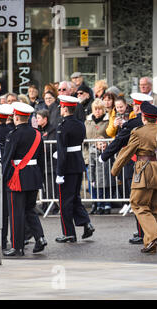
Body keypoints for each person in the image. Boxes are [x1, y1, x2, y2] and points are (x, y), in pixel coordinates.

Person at [111, 101, 157, 254]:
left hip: (144, 171)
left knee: (138, 204)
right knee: (152, 209)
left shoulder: (138, 132)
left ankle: (153, 236)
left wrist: (115, 170)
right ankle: (151, 244)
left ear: (144, 118)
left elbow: (126, 153)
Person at [99, 93, 154, 245]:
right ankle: (149, 232)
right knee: (150, 202)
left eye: (136, 105)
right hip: (156, 166)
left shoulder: (132, 123)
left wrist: (104, 156)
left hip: (137, 165)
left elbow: (119, 141)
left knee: (137, 201)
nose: (135, 107)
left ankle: (144, 233)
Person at [2, 102, 47, 256]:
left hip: (17, 178)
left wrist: (3, 178)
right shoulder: (37, 134)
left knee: (16, 212)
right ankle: (40, 238)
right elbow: (41, 160)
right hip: (33, 176)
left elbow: (8, 159)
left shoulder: (13, 135)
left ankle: (17, 246)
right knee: (30, 209)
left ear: (16, 116)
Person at [55, 95, 95, 243]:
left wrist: (59, 173)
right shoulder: (80, 124)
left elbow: (63, 151)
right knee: (75, 198)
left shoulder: (63, 126)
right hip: (78, 163)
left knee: (65, 200)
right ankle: (86, 223)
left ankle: (69, 233)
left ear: (65, 108)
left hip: (68, 167)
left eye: (61, 107)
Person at [84, 99, 110, 213]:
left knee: (104, 180)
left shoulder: (107, 121)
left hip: (103, 153)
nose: (98, 111)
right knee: (92, 181)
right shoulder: (87, 121)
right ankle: (94, 202)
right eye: (96, 109)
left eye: (100, 109)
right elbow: (84, 137)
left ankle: (104, 203)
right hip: (89, 154)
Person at [0, 104, 14, 250]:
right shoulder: (11, 131)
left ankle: (1, 241)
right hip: (11, 172)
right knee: (11, 209)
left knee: (0, 209)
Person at [36, 109, 59, 214]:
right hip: (42, 163)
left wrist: (43, 148)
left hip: (51, 163)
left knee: (51, 187)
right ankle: (45, 205)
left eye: (39, 118)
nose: (37, 120)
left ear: (45, 119)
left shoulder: (52, 129)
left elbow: (52, 145)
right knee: (44, 187)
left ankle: (54, 206)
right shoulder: (38, 130)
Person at [90, 137, 116, 215]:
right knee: (99, 193)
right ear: (96, 145)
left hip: (108, 177)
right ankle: (100, 206)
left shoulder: (110, 152)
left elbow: (114, 161)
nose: (102, 145)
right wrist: (92, 179)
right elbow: (91, 167)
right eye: (100, 144)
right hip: (98, 178)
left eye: (104, 143)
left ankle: (107, 206)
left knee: (108, 192)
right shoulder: (93, 154)